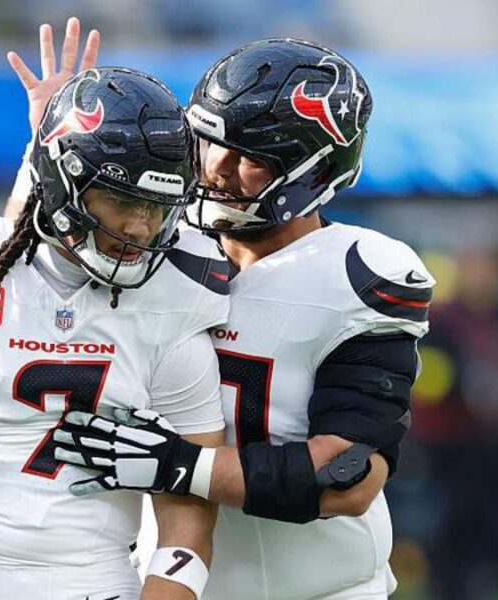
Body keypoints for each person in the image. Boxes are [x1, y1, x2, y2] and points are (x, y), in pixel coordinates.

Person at [46, 39, 436, 599]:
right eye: (208, 143)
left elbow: (348, 475)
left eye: (250, 157)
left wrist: (178, 465)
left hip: (323, 590)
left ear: (312, 171)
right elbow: (23, 280)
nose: (217, 168)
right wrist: (51, 152)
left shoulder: (356, 275)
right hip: (170, 582)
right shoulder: (155, 246)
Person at [0, 50, 232, 599]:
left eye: (158, 205)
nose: (141, 226)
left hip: (97, 582)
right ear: (62, 180)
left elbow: (188, 513)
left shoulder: (176, 297)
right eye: (122, 199)